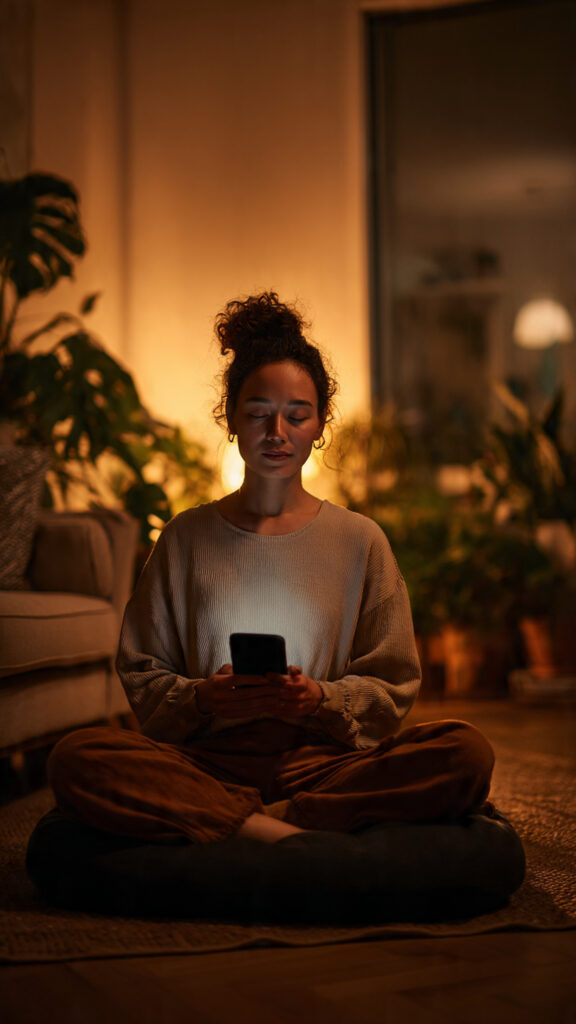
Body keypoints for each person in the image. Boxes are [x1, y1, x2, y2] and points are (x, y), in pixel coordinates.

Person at [48, 291, 494, 845]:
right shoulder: (186, 537)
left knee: (464, 752)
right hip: (206, 761)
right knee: (79, 756)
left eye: (296, 415)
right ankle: (288, 828)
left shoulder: (360, 540)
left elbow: (394, 682)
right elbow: (142, 671)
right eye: (258, 414)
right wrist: (203, 697)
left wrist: (320, 698)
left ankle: (255, 827)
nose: (276, 433)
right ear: (232, 420)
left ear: (319, 425)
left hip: (320, 763)